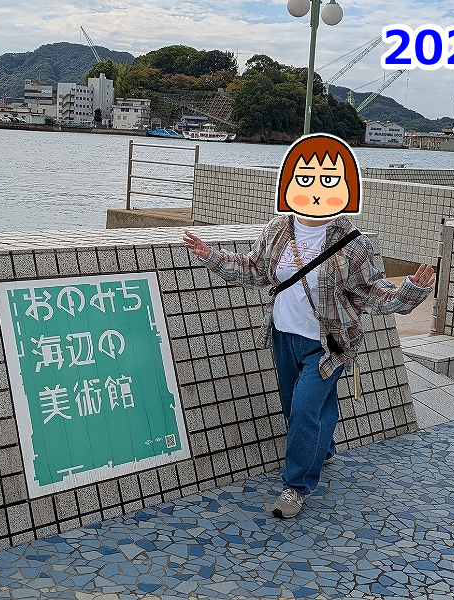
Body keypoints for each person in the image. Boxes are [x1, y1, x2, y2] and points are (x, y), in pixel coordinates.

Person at [183, 134, 435, 519]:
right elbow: (255, 270)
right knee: (301, 405)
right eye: (305, 179)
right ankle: (323, 447)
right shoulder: (278, 229)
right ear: (289, 184)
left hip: (329, 343)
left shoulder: (353, 243)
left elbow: (375, 294)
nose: (316, 189)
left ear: (345, 188)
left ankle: (296, 486)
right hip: (283, 336)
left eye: (328, 180)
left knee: (303, 408)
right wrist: (211, 256)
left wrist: (411, 290)